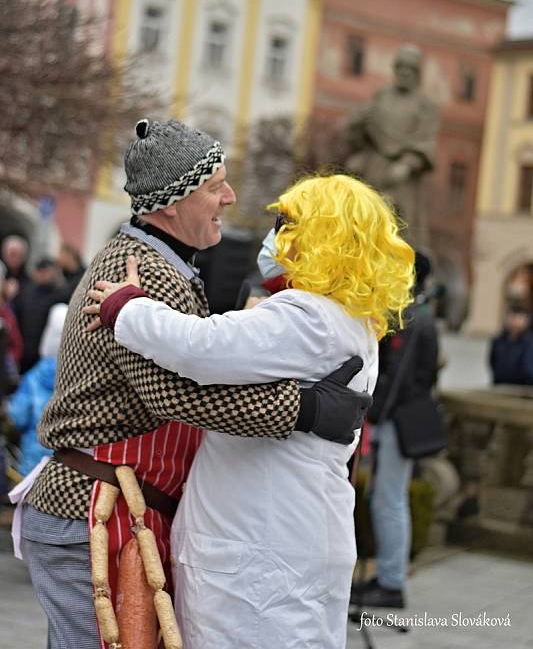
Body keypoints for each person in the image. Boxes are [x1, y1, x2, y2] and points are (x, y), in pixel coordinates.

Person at [15, 118, 366, 649]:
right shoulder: (144, 270)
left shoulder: (168, 266)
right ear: (172, 202)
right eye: (213, 186)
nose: (229, 197)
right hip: (89, 508)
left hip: (117, 506)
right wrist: (303, 411)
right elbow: (176, 393)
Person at [86, 173, 415, 649]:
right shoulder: (349, 318)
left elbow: (200, 348)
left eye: (286, 222)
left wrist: (128, 308)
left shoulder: (307, 316)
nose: (274, 234)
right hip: (286, 541)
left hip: (258, 553)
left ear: (320, 235)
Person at [353, 252, 439, 609]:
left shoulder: (413, 319)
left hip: (397, 421)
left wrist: (371, 415)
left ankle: (391, 582)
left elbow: (399, 379)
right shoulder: (418, 315)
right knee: (388, 499)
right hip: (397, 419)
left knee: (390, 501)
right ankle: (388, 577)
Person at [346, 45, 439, 249]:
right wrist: (358, 128)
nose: (404, 72)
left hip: (403, 175)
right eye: (401, 67)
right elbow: (361, 133)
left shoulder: (425, 104)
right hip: (374, 166)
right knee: (367, 221)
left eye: (410, 68)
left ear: (417, 73)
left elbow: (426, 141)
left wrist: (407, 164)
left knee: (401, 226)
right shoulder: (381, 97)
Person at [8, 303, 67, 476]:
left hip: (33, 459)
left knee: (31, 500)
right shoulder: (79, 376)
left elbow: (18, 416)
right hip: (67, 460)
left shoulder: (34, 377)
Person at [15, 257, 63, 373]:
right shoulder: (26, 292)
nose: (49, 275)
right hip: (24, 350)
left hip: (43, 353)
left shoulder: (61, 295)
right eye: (45, 271)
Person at [489, 305, 533, 386]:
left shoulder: (529, 342)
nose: (515, 321)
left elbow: (528, 369)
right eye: (512, 317)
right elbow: (492, 362)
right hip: (499, 387)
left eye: (519, 317)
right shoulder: (499, 340)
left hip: (523, 390)